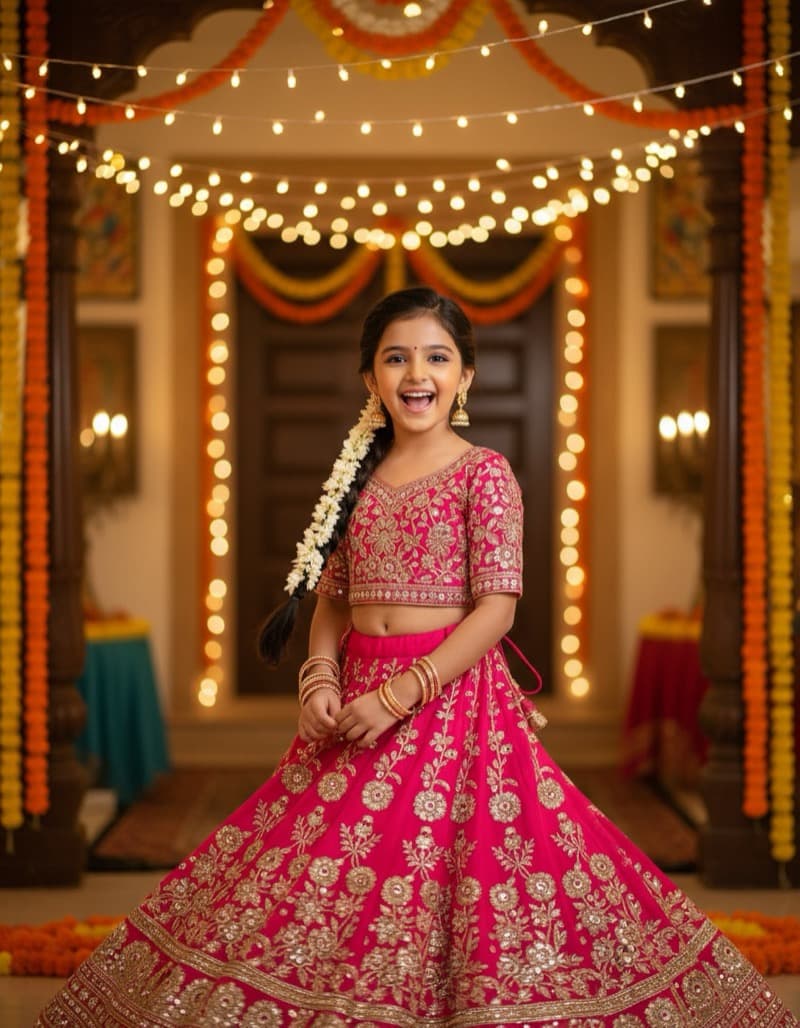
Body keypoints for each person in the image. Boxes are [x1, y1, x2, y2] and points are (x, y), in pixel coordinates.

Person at [38, 287, 796, 1027]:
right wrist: (321, 677)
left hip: (449, 698)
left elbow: (496, 609)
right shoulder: (357, 479)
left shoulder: (483, 474)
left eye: (436, 357)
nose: (415, 375)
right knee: (316, 865)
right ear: (370, 376)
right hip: (354, 694)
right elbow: (332, 598)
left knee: (444, 860)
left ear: (465, 375)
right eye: (395, 358)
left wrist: (402, 694)